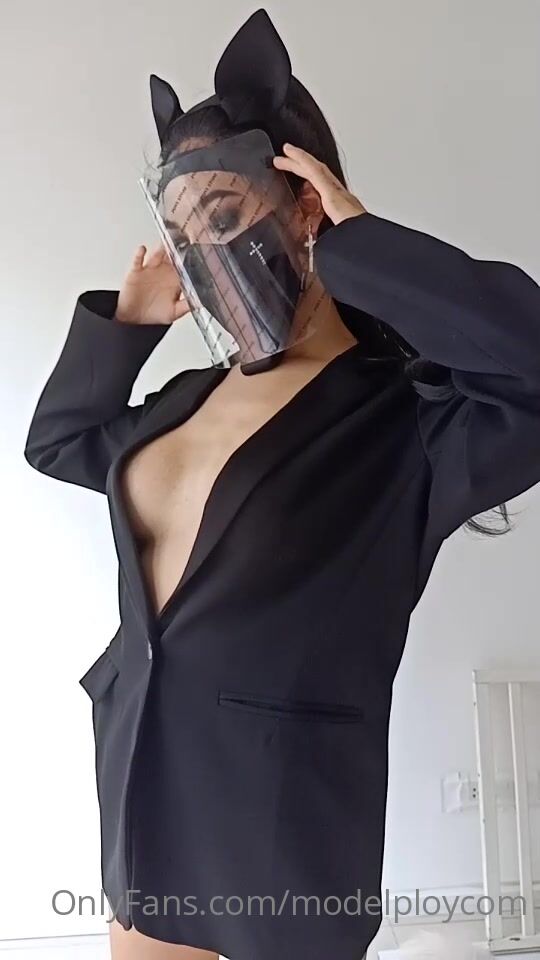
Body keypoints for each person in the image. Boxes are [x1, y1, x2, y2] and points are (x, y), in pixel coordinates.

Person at [23, 9, 540, 960]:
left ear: (304, 205)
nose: (207, 255)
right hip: (144, 793)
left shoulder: (407, 421)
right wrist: (124, 330)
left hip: (282, 823)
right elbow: (58, 443)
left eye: (224, 217)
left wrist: (362, 246)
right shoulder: (183, 400)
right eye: (185, 233)